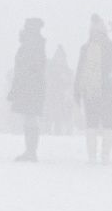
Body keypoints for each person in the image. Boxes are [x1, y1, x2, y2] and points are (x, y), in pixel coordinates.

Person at [73, 14, 112, 164]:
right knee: (102, 124)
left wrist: (77, 90)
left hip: (94, 92)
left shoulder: (88, 48)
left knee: (95, 124)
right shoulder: (111, 48)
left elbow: (80, 71)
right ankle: (101, 157)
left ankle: (96, 157)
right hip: (100, 92)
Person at [9, 17, 47, 161]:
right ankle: (30, 151)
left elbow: (26, 68)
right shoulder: (35, 44)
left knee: (30, 118)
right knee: (29, 118)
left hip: (29, 87)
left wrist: (18, 86)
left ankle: (31, 152)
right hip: (31, 87)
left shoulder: (31, 44)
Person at [46, 45, 76, 135]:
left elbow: (70, 82)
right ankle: (53, 130)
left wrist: (66, 82)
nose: (60, 59)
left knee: (63, 113)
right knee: (54, 113)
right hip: (54, 95)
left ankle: (65, 131)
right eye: (58, 56)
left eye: (61, 57)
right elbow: (49, 81)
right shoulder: (52, 69)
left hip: (63, 95)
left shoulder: (66, 70)